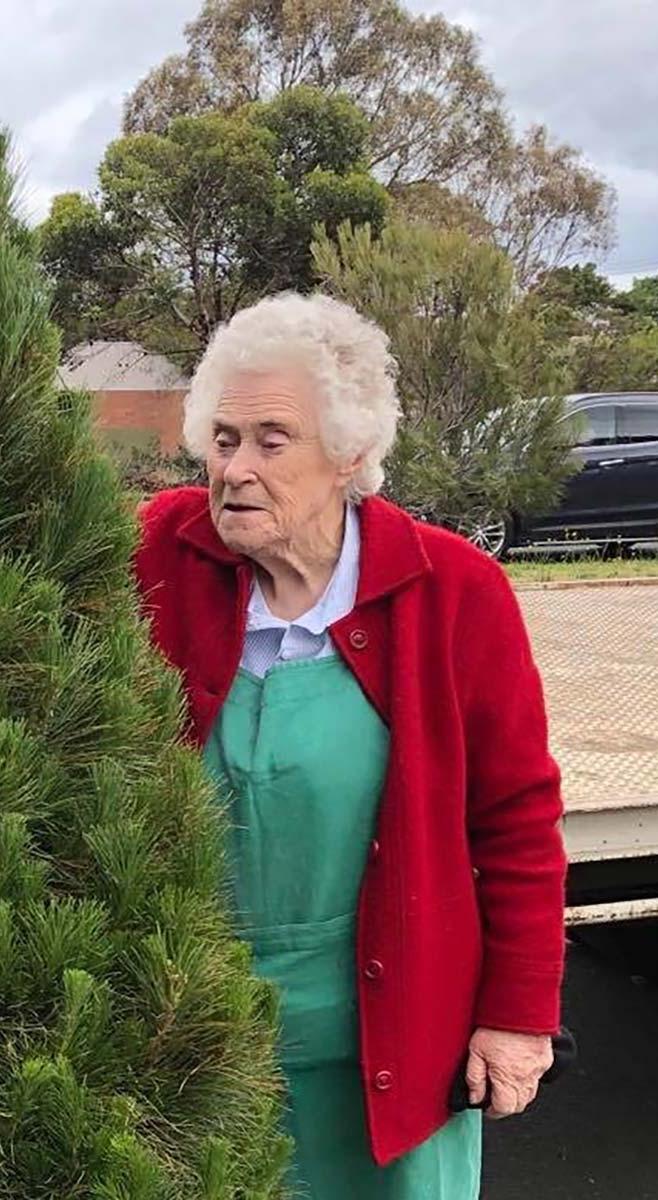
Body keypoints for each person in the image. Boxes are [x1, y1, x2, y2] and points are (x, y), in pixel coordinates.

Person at [133, 292, 566, 1198]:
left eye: (270, 440)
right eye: (222, 439)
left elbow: (516, 820)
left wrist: (518, 1018)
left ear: (351, 455)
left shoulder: (452, 591)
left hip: (391, 1054)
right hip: (193, 1053)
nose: (235, 470)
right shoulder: (163, 556)